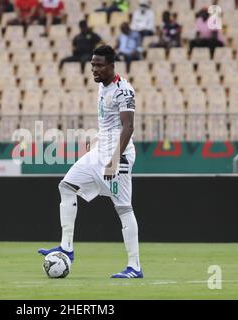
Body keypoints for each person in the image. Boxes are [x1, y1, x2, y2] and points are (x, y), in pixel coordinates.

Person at [38, 45, 143, 279]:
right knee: (66, 186)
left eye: (99, 65)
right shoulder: (101, 86)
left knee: (124, 208)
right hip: (99, 152)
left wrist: (114, 160)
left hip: (119, 156)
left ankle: (134, 266)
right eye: (93, 64)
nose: (94, 69)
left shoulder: (123, 90)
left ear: (111, 66)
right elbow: (109, 124)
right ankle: (66, 247)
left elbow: (128, 126)